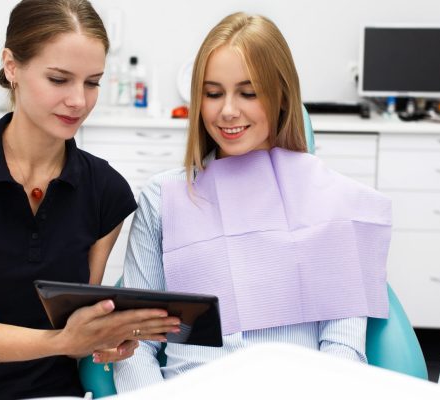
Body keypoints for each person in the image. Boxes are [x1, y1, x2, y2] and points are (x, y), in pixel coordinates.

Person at [0, 1, 180, 398]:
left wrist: (103, 338)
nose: (79, 101)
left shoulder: (106, 191)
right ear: (12, 66)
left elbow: (75, 319)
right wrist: (69, 341)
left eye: (92, 82)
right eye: (59, 79)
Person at [114, 13, 391, 391]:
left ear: (280, 97)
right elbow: (135, 344)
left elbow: (343, 348)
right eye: (213, 94)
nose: (228, 110)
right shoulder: (163, 198)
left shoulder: (329, 201)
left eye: (249, 92)